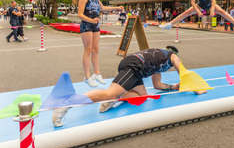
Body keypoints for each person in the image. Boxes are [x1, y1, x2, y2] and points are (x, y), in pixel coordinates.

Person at [52, 46, 207, 127]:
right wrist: (194, 87)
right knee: (109, 93)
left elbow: (157, 85)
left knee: (143, 96)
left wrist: (175, 87)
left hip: (136, 68)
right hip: (134, 66)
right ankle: (69, 102)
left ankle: (116, 99)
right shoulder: (171, 56)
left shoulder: (159, 63)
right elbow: (183, 71)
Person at [72, 0, 123, 87]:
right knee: (88, 50)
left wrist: (117, 8)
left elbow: (103, 8)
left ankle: (97, 73)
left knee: (96, 50)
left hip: (95, 25)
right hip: (87, 26)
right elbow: (80, 14)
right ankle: (87, 76)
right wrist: (91, 21)